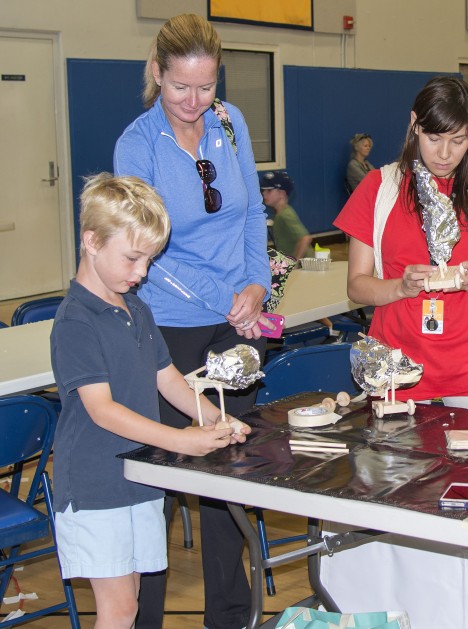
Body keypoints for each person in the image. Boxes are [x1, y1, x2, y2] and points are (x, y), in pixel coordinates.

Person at [112, 13, 270, 629]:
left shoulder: (231, 124)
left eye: (205, 87)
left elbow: (254, 211)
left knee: (229, 474)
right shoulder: (138, 144)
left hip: (235, 320)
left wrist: (256, 286)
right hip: (169, 324)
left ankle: (228, 617)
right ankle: (145, 618)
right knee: (161, 479)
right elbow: (145, 249)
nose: (193, 101)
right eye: (181, 87)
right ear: (157, 73)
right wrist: (224, 299)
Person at [50, 173, 250, 628]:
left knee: (132, 602)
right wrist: (181, 440)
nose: (142, 273)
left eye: (149, 261)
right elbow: (102, 410)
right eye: (133, 258)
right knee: (118, 609)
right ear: (92, 242)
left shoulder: (136, 307)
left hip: (138, 479)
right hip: (95, 484)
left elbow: (170, 381)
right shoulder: (75, 320)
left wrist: (216, 419)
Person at [334, 76, 468, 413]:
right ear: (414, 125)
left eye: (458, 140)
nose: (444, 153)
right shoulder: (378, 189)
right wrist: (401, 287)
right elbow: (357, 287)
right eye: (433, 137)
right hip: (395, 371)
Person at [262, 170, 313, 259]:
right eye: (263, 190)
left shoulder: (285, 215)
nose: (263, 193)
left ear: (282, 193)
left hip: (304, 267)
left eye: (269, 190)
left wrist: (294, 263)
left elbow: (305, 238)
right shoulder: (280, 214)